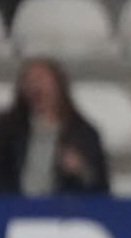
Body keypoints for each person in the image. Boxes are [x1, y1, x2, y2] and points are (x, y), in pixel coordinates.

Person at [0, 57, 110, 196]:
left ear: (58, 85)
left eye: (41, 79)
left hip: (62, 211)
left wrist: (81, 170)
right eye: (28, 81)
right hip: (13, 210)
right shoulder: (7, 130)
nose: (34, 85)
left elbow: (101, 187)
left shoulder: (83, 133)